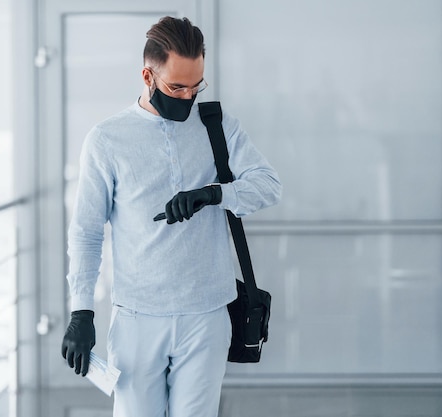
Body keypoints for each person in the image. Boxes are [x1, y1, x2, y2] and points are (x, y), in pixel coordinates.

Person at [61, 16, 282, 417]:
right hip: (137, 319)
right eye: (175, 87)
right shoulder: (107, 140)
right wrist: (81, 312)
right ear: (148, 75)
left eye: (195, 86)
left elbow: (269, 184)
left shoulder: (217, 126)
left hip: (209, 314)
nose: (186, 97)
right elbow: (87, 232)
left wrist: (215, 193)